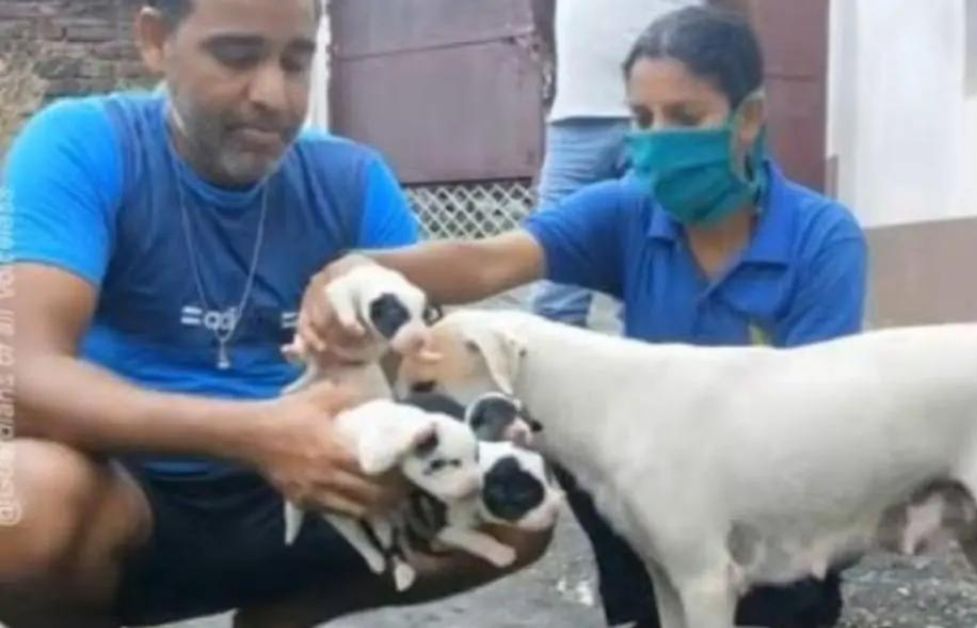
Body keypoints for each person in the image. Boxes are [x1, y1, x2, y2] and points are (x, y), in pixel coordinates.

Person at [298, 7, 868, 627]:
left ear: (748, 118)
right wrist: (353, 268)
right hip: (660, 485)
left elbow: (817, 422)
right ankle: (636, 607)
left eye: (685, 117)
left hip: (774, 491)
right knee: (585, 446)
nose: (657, 140)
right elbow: (488, 262)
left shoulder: (820, 239)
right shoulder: (628, 211)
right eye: (642, 119)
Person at [0, 1, 548, 626]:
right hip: (130, 494)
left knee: (518, 505)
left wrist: (472, 410)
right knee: (18, 501)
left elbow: (417, 377)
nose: (273, 95)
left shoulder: (351, 178)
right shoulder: (84, 144)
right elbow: (21, 376)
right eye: (236, 57)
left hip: (318, 492)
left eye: (296, 62)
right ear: (155, 41)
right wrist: (256, 434)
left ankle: (282, 618)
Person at [527, 0, 753, 332]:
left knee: (659, 271)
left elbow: (730, 19)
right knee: (553, 279)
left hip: (674, 119)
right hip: (577, 114)